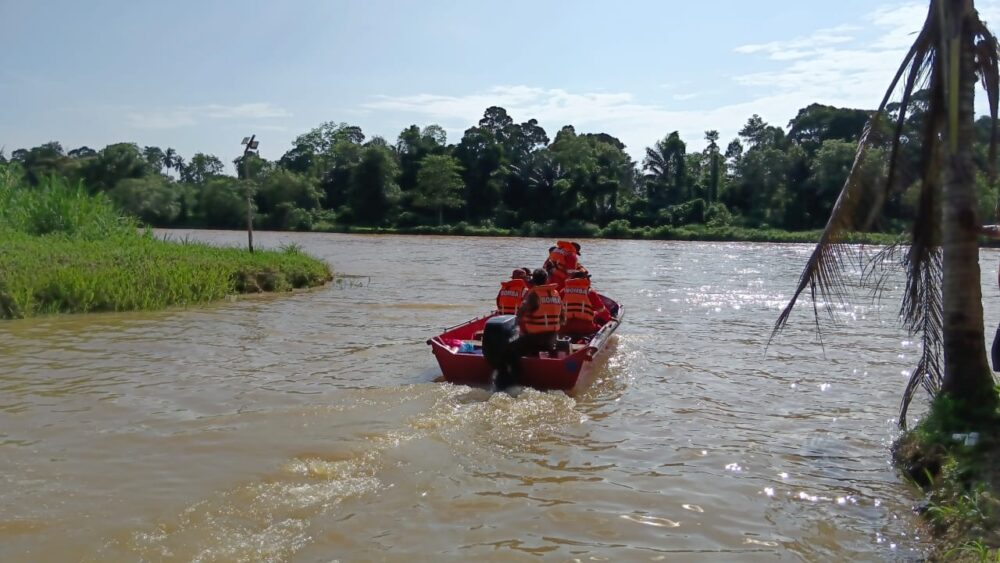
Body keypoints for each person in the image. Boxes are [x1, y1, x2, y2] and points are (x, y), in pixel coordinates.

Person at [496, 269, 564, 389]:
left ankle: (514, 379)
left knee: (507, 350)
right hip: (551, 339)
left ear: (533, 281)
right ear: (547, 280)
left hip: (533, 339)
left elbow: (519, 317)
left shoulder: (533, 295)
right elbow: (563, 319)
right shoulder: (556, 294)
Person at [560, 270, 610, 337]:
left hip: (565, 327)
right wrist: (609, 319)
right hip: (585, 327)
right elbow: (601, 310)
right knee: (599, 327)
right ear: (584, 279)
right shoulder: (589, 292)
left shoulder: (563, 291)